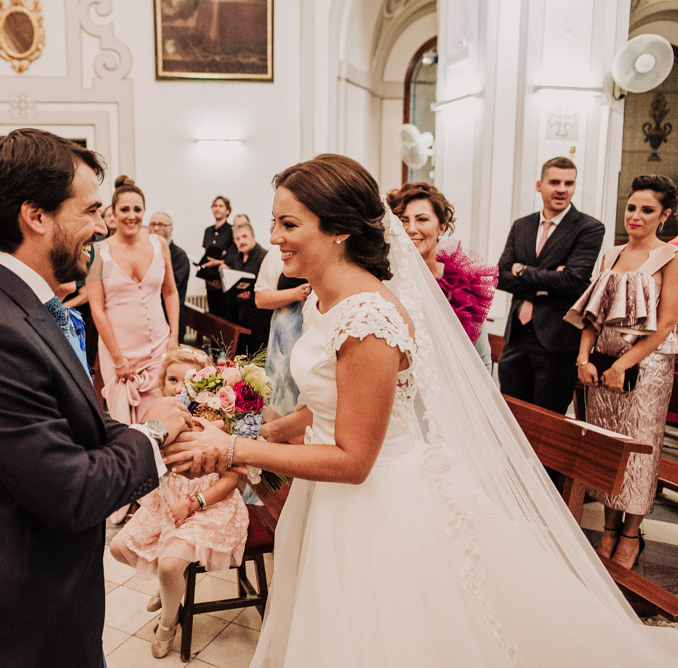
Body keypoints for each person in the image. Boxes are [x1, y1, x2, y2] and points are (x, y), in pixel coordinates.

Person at [163, 154, 678, 666]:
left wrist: (234, 447)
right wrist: (264, 428)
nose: (274, 236)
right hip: (327, 499)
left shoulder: (368, 316)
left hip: (374, 505)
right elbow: (323, 405)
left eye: (288, 223)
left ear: (339, 229)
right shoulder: (325, 302)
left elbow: (354, 460)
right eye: (274, 220)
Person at [0, 128, 191, 668]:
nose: (103, 225)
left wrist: (161, 433)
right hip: (19, 618)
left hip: (51, 594)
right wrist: (154, 433)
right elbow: (73, 492)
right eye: (90, 210)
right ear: (36, 217)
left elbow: (82, 420)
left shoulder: (23, 304)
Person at [566, 175, 678, 570]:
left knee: (638, 452)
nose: (636, 216)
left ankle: (631, 536)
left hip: (646, 368)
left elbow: (665, 325)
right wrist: (584, 358)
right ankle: (608, 530)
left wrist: (623, 364)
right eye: (632, 207)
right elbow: (592, 314)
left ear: (665, 215)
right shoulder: (610, 255)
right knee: (606, 448)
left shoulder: (670, 257)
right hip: (603, 366)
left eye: (647, 210)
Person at [108, 346, 248, 660]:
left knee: (170, 565)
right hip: (168, 500)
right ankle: (168, 584)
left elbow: (231, 481)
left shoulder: (215, 422)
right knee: (117, 548)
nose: (177, 388)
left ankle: (168, 623)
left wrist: (194, 502)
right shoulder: (160, 416)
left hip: (211, 503)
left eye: (188, 382)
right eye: (172, 379)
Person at [497, 157, 604, 414]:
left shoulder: (589, 228)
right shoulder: (521, 225)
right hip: (516, 338)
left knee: (547, 425)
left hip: (557, 343)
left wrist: (522, 270)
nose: (561, 189)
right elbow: (501, 275)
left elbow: (573, 281)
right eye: (554, 182)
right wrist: (550, 278)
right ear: (539, 185)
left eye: (569, 183)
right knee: (510, 419)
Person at [88, 175, 181, 424]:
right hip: (121, 352)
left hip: (158, 348)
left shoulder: (159, 244)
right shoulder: (99, 252)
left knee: (161, 420)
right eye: (125, 209)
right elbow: (97, 308)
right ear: (114, 213)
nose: (132, 215)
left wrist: (173, 337)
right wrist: (118, 359)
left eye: (137, 209)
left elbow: (170, 292)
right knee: (127, 425)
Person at [387, 182, 498, 370]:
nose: (411, 228)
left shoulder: (462, 284)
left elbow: (481, 358)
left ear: (442, 227)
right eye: (403, 220)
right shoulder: (386, 283)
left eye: (422, 219)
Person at [254, 232, 309, 416]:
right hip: (285, 336)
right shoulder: (276, 255)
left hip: (314, 333)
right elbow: (261, 299)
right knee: (283, 384)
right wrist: (296, 294)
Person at [222, 217, 268, 355]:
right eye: (237, 239)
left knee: (257, 354)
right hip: (240, 313)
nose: (241, 241)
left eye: (244, 236)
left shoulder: (263, 256)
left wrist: (251, 294)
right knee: (242, 354)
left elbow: (270, 287)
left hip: (259, 317)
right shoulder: (236, 257)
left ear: (253, 236)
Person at [148, 211, 190, 337]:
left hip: (170, 317)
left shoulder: (179, 256)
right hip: (152, 317)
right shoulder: (146, 253)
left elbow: (170, 288)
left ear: (170, 228)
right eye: (153, 224)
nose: (156, 228)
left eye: (161, 224)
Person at [201, 195, 235, 320]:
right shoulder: (208, 231)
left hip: (224, 282)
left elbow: (233, 257)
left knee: (225, 319)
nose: (217, 208)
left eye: (221, 206)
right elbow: (206, 254)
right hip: (210, 281)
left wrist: (219, 262)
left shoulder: (232, 230)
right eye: (215, 206)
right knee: (212, 318)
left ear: (227, 210)